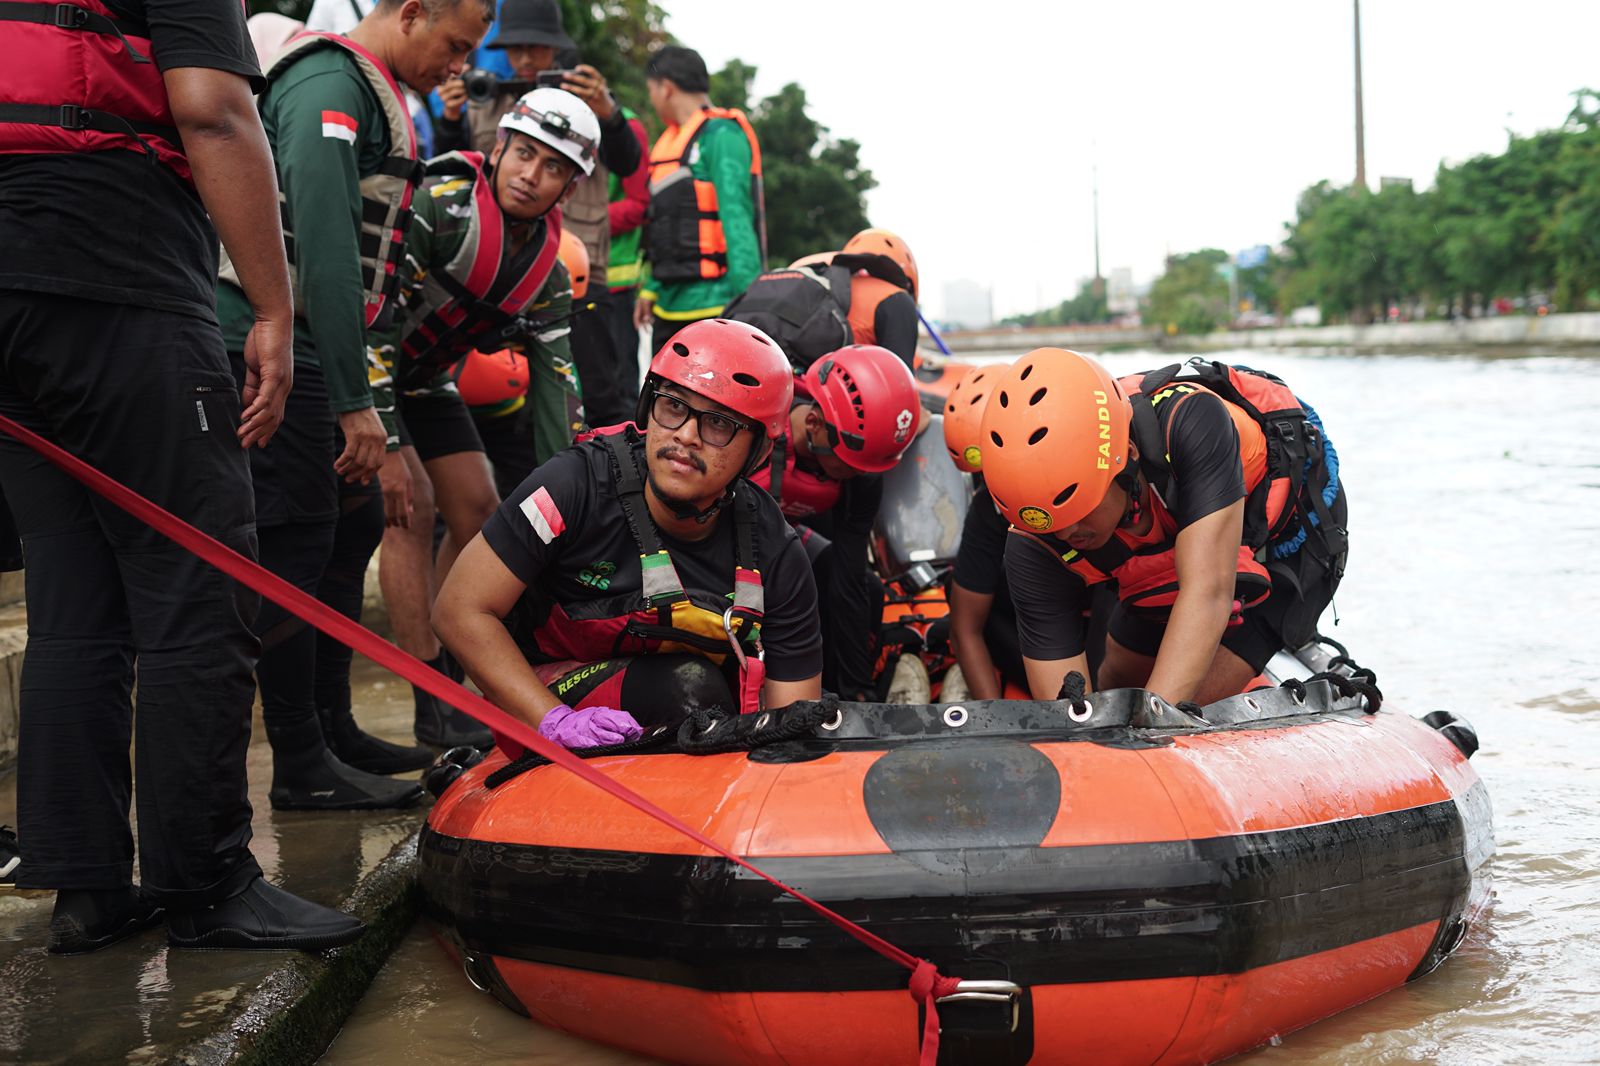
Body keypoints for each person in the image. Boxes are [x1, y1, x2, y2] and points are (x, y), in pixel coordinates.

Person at [0, 0, 364, 952]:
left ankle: (86, 884)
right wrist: (274, 311)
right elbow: (211, 109)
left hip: (12, 307)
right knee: (199, 583)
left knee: (71, 599)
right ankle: (207, 881)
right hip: (114, 274)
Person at [213, 0, 494, 809]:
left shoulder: (373, 91)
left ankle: (332, 729)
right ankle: (300, 762)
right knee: (298, 539)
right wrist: (352, 399)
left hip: (313, 346)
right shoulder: (328, 82)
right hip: (272, 346)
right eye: (454, 46)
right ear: (411, 13)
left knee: (354, 522)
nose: (459, 68)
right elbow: (327, 248)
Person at [433, 319, 823, 750]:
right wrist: (553, 720)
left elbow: (794, 725)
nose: (686, 436)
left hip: (693, 717)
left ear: (759, 451)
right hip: (545, 706)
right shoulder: (572, 485)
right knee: (689, 686)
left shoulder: (775, 550)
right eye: (673, 406)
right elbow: (458, 610)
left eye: (718, 423)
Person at [371, 86, 595, 748]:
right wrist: (379, 428)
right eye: (523, 153)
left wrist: (580, 489)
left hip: (426, 380)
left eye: (552, 167)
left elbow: (559, 385)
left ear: (568, 187)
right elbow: (372, 312)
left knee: (479, 509)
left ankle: (453, 663)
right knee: (412, 508)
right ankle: (428, 696)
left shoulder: (549, 274)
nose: (530, 174)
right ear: (498, 147)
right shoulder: (438, 205)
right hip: (363, 363)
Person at [981, 349, 1348, 706]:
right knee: (1117, 684)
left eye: (1080, 507)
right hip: (1168, 549)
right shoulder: (1032, 546)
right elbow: (1062, 706)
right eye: (1052, 521)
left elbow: (1208, 593)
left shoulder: (1192, 421)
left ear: (1128, 455)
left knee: (1197, 702)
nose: (1066, 533)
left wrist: (1154, 720)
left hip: (1286, 543)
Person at [434, 0, 642, 426]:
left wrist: (611, 116)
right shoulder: (485, 97)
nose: (526, 58)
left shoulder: (588, 102)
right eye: (516, 48)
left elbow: (628, 162)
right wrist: (451, 118)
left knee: (600, 395)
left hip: (581, 269)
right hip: (499, 268)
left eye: (536, 47)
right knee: (509, 399)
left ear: (555, 47)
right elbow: (458, 170)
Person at [748, 345, 921, 702]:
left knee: (867, 588)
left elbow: (848, 577)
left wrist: (858, 689)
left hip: (786, 530)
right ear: (813, 424)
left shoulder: (863, 469)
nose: (860, 474)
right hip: (728, 533)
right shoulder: (756, 431)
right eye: (852, 465)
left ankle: (842, 690)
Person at [634, 45, 765, 356]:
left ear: (666, 88)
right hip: (668, 306)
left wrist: (751, 304)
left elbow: (737, 219)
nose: (652, 100)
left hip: (716, 305)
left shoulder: (721, 135)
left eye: (651, 91)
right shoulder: (669, 143)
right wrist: (651, 288)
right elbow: (664, 227)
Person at [937, 365, 1029, 702]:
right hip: (1046, 621)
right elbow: (965, 628)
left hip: (1102, 613)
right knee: (962, 587)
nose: (992, 485)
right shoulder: (989, 506)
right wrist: (993, 716)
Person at [604, 104, 652, 406]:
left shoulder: (626, 127)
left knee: (618, 393)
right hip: (561, 279)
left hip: (616, 286)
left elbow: (639, 205)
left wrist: (579, 222)